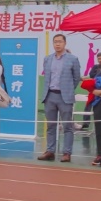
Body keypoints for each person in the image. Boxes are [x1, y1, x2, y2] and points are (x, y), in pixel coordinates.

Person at [38, 34, 82, 162]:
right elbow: (47, 77)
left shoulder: (73, 59)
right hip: (50, 95)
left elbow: (76, 78)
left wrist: (68, 89)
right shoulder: (47, 59)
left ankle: (67, 153)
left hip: (65, 97)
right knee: (51, 126)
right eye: (55, 42)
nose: (57, 44)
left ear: (65, 43)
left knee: (67, 126)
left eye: (60, 42)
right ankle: (50, 151)